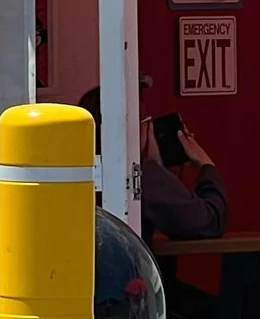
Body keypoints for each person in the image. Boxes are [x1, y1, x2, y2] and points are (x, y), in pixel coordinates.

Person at [79, 87, 228, 241]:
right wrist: (205, 164)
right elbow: (210, 222)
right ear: (140, 127)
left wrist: (158, 168)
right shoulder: (139, 175)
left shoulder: (74, 171)